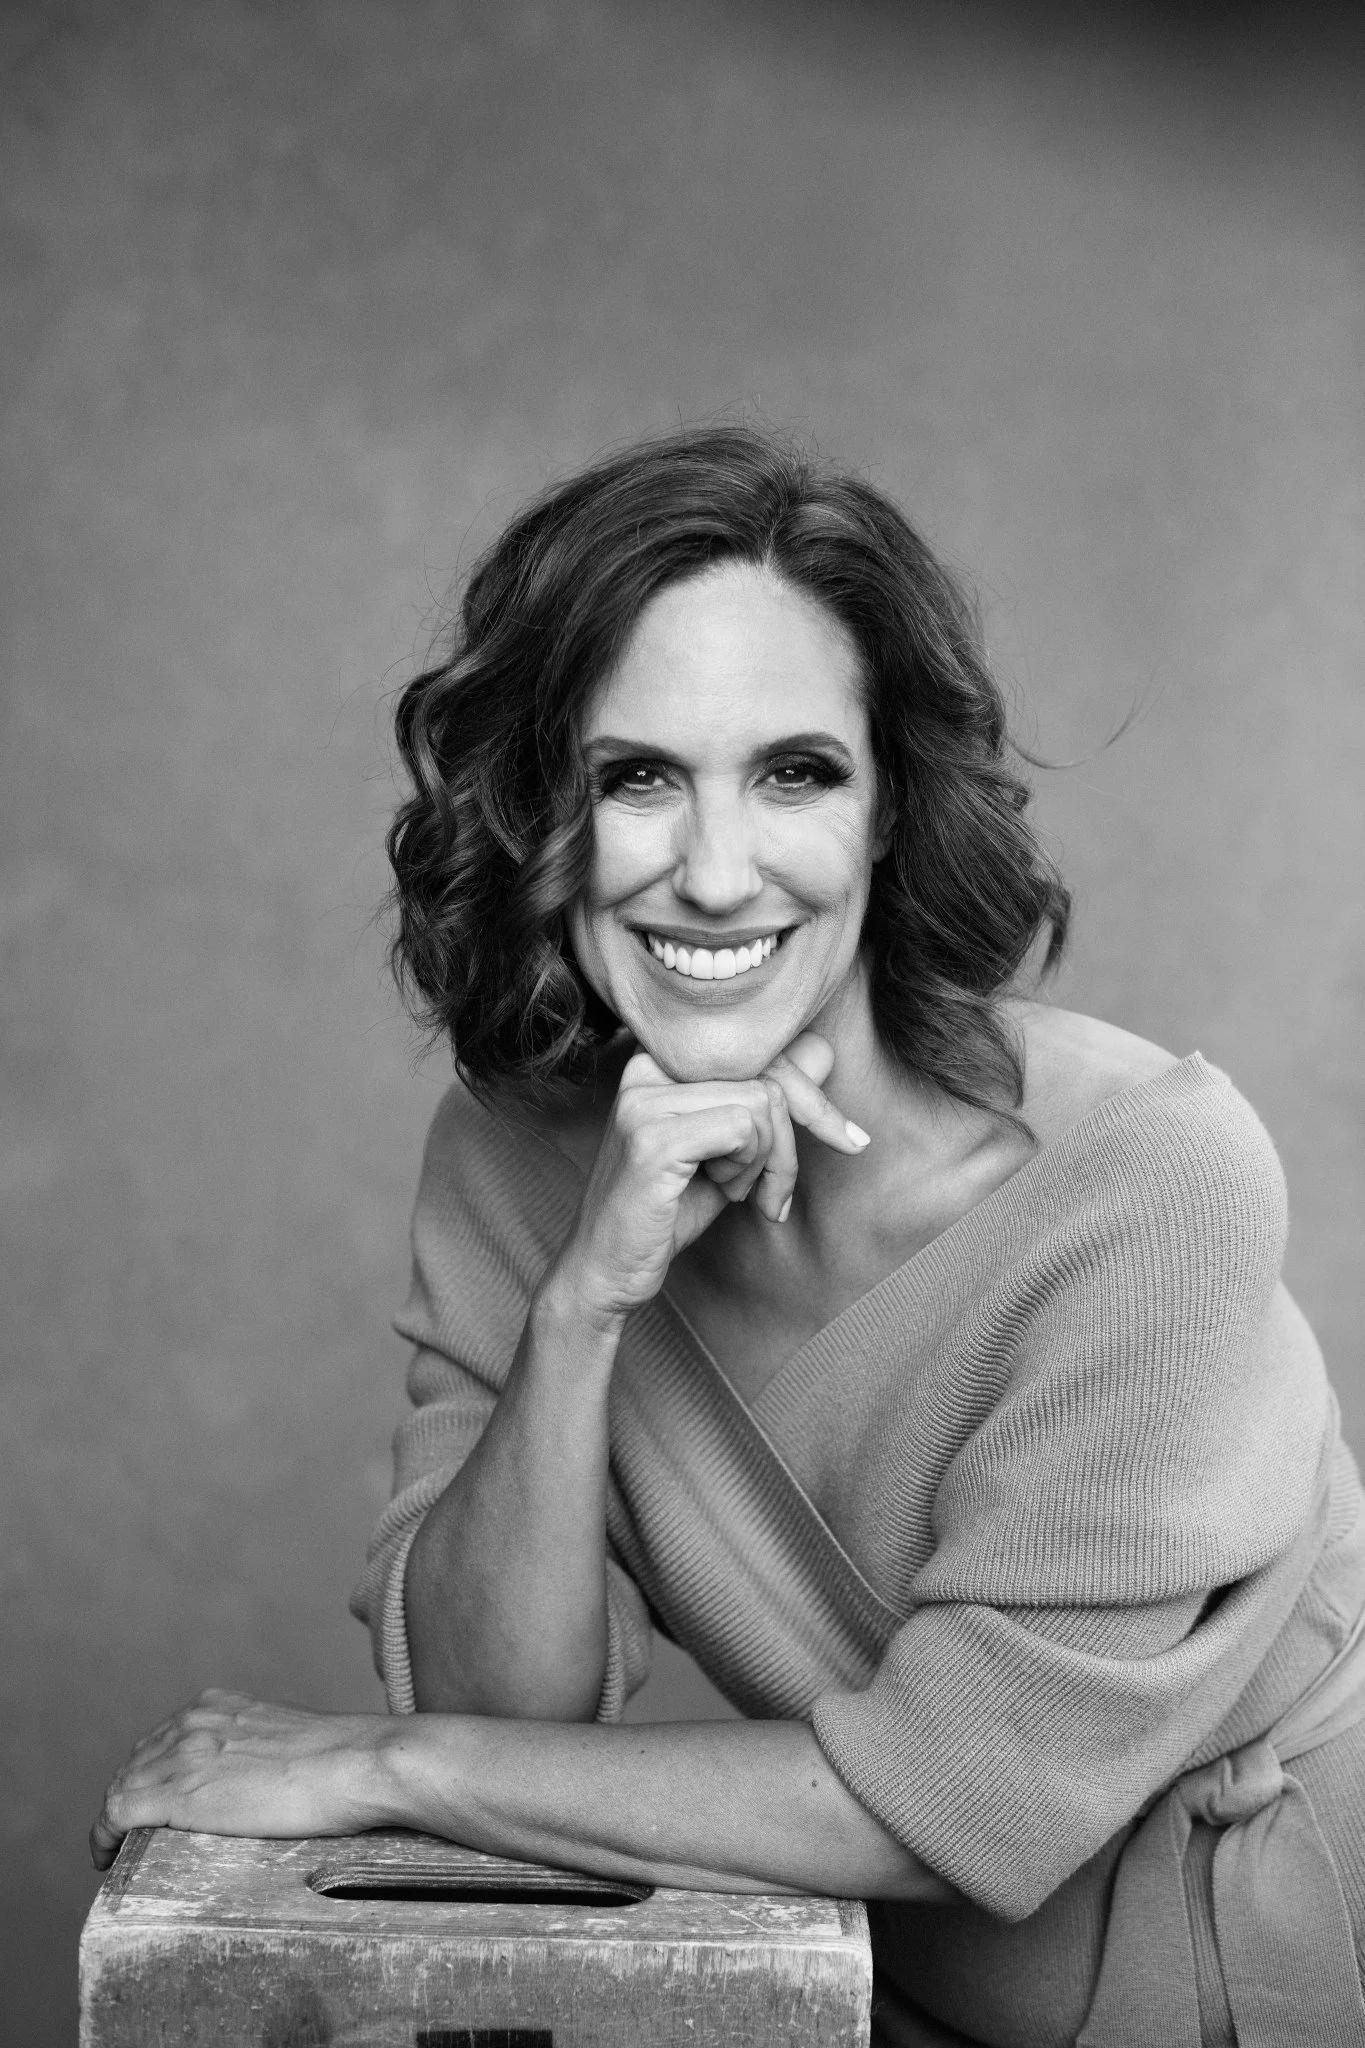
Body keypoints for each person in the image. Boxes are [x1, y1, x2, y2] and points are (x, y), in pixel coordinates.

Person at [92, 428, 1365, 2047]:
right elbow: (511, 1712)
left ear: (893, 807)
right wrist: (583, 1305)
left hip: (1270, 1971)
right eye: (638, 778)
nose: (711, 872)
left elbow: (958, 1798)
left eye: (795, 773)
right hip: (872, 1989)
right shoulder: (516, 1162)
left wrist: (374, 1765)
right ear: (541, 812)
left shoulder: (1152, 1183)